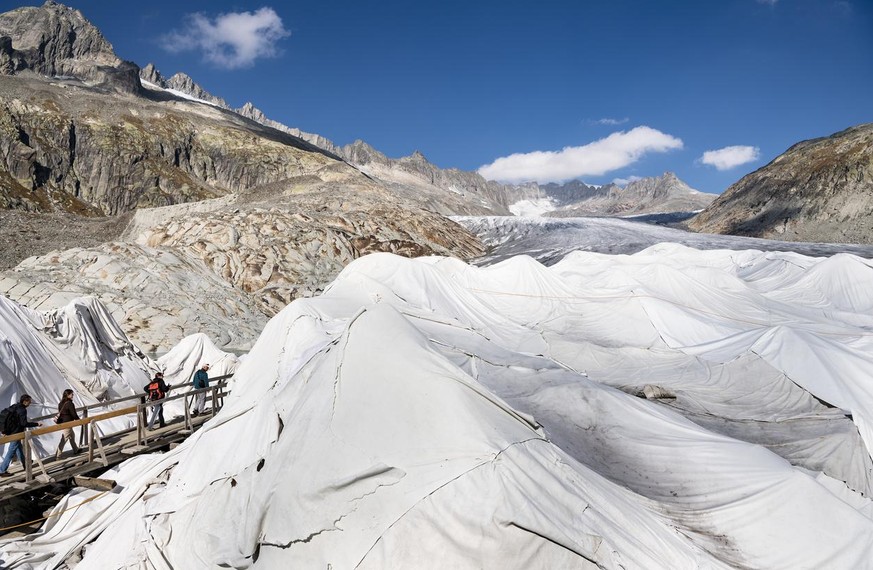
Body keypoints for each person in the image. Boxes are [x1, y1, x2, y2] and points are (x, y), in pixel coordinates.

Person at [0, 395, 42, 477]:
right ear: (25, 401)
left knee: (19, 449)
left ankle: (26, 464)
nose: (30, 403)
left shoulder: (15, 406)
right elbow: (24, 423)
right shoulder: (22, 410)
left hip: (11, 431)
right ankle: (2, 470)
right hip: (16, 433)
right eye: (29, 401)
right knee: (11, 451)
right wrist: (36, 424)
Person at [55, 389, 80, 459]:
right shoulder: (69, 403)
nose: (73, 395)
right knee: (64, 438)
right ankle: (58, 455)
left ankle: (76, 450)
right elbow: (74, 414)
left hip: (63, 422)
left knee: (72, 435)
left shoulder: (60, 403)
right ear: (68, 395)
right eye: (72, 394)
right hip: (68, 423)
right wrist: (79, 421)